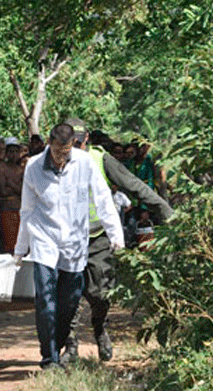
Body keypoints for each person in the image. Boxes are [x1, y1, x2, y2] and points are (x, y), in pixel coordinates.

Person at [61, 118, 174, 363]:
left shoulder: (101, 160)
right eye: (71, 143)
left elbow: (133, 185)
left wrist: (164, 210)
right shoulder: (54, 160)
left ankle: (100, 327)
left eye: (79, 143)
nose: (75, 148)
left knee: (100, 293)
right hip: (66, 240)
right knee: (68, 294)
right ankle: (70, 345)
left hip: (98, 239)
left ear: (87, 139)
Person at [14, 123, 124, 369]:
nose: (61, 159)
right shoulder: (33, 167)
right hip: (44, 241)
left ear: (72, 145)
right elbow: (27, 210)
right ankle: (48, 358)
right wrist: (21, 249)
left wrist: (115, 234)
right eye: (56, 152)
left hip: (75, 244)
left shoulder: (85, 163)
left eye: (65, 152)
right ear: (48, 145)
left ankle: (59, 341)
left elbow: (103, 198)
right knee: (45, 301)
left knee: (69, 303)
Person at [0, 137, 24, 253]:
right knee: (10, 246)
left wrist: (10, 183)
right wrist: (15, 187)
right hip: (7, 211)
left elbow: (23, 191)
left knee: (21, 245)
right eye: (11, 151)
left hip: (20, 211)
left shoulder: (21, 169)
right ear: (6, 153)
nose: (13, 154)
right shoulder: (1, 168)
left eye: (16, 151)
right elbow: (3, 191)